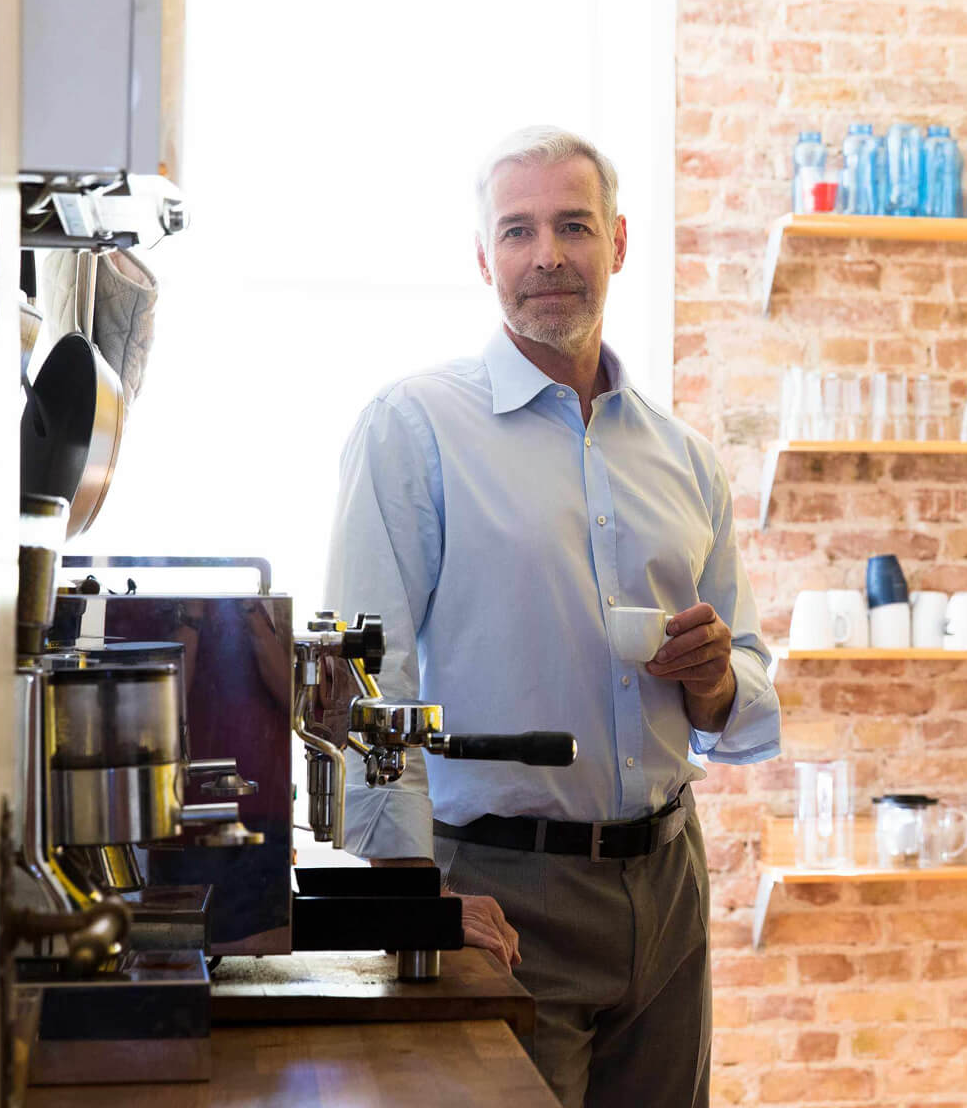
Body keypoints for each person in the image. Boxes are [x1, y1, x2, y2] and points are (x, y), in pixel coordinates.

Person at [322, 125, 781, 1108]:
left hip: (668, 884)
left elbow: (742, 685)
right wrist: (411, 890)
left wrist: (715, 681)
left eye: (573, 226)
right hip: (495, 890)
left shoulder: (687, 458)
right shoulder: (413, 428)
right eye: (519, 231)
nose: (549, 257)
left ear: (618, 242)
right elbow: (362, 681)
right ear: (484, 258)